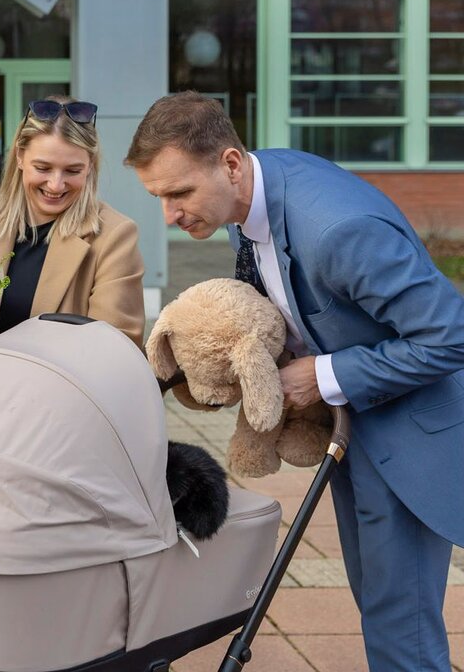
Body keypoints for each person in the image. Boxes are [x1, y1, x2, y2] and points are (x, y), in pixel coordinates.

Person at [125, 90, 464, 672]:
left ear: (230, 163)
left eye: (180, 193)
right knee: (379, 606)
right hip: (356, 424)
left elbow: (450, 335)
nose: (170, 215)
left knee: (399, 626)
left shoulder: (338, 229)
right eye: (158, 197)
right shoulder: (245, 200)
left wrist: (324, 375)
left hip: (409, 435)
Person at [0, 95, 145, 347]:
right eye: (43, 168)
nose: (56, 185)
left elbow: (114, 350)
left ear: (90, 165)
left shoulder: (115, 236)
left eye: (72, 170)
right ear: (20, 157)